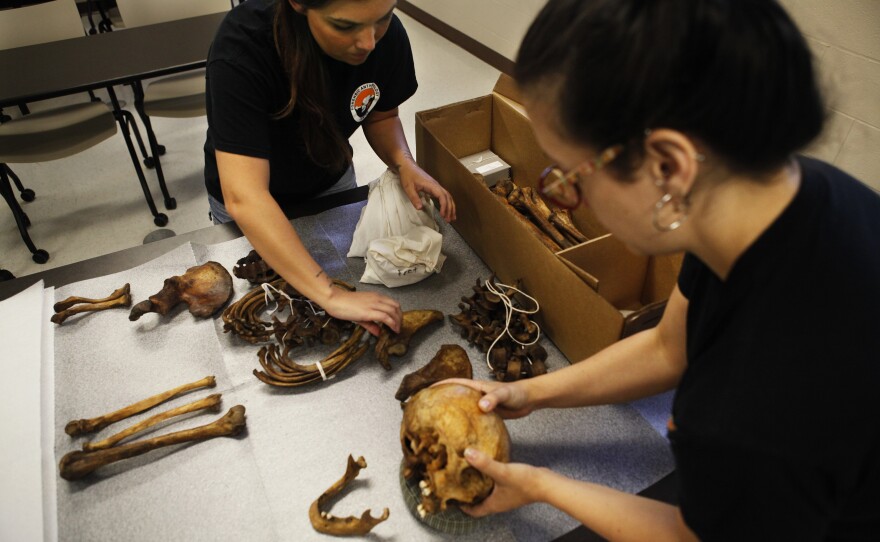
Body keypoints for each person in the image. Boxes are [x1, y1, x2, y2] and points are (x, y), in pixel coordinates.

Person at [447, 0, 880, 539]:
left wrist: (539, 487)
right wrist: (533, 393)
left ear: (669, 165)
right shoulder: (768, 195)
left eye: (568, 182)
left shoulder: (774, 384)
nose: (566, 204)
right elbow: (667, 347)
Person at [203, 0, 456, 336]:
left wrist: (403, 162)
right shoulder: (243, 47)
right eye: (344, 26)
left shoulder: (387, 37)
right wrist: (329, 294)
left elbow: (382, 116)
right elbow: (246, 196)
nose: (369, 42)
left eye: (383, 18)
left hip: (329, 181)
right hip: (251, 201)